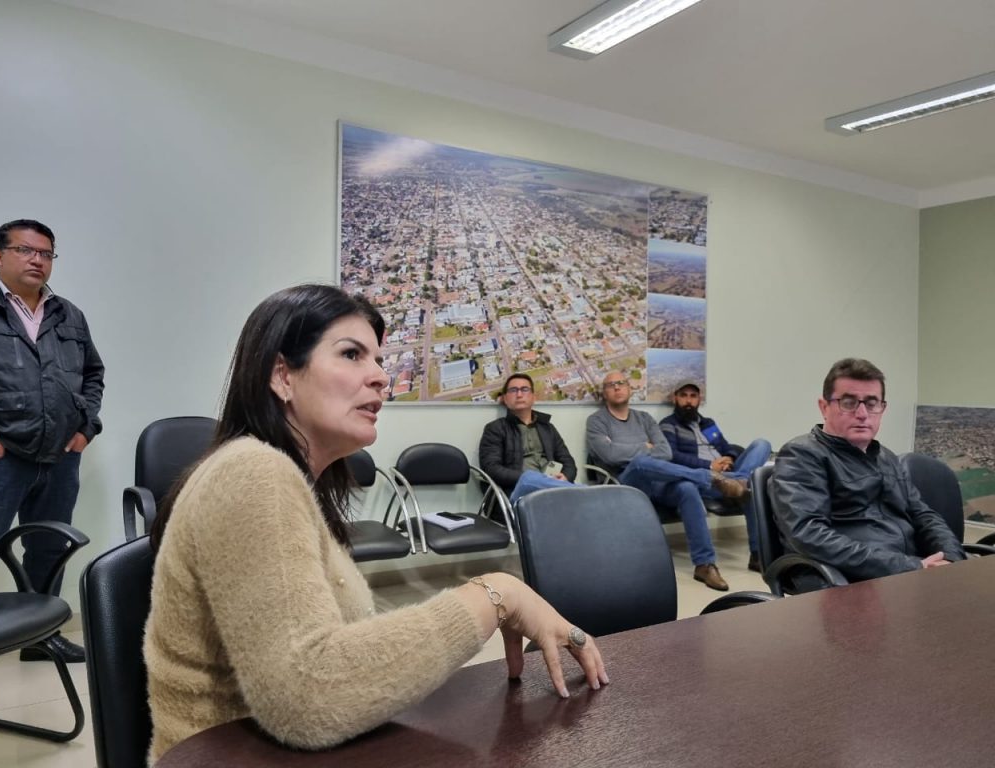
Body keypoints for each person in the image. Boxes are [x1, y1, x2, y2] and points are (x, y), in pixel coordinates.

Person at [144, 284, 607, 761]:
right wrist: (497, 594)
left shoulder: (287, 479)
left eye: (379, 360)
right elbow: (309, 697)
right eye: (351, 354)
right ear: (282, 375)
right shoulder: (253, 473)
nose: (381, 377)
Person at [0, 219, 104, 704]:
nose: (36, 260)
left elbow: (93, 374)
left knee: (48, 548)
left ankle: (40, 639)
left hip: (58, 458)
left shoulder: (68, 315)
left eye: (46, 253)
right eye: (25, 250)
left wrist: (85, 428)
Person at [770, 357, 965, 585]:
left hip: (909, 572)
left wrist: (951, 559)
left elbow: (923, 515)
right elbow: (809, 534)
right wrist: (912, 567)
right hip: (850, 579)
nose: (862, 413)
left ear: (882, 408)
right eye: (849, 402)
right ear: (824, 407)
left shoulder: (886, 457)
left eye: (872, 403)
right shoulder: (802, 455)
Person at [585, 371, 746, 592]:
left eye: (621, 383)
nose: (616, 387)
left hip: (660, 482)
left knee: (687, 489)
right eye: (610, 385)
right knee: (641, 462)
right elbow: (610, 455)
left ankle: (704, 564)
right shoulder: (596, 421)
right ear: (604, 393)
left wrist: (639, 450)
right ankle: (710, 477)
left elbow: (665, 452)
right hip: (627, 483)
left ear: (629, 388)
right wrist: (644, 448)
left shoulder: (644, 418)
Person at [659, 382, 772, 572]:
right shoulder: (669, 425)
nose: (688, 400)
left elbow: (725, 446)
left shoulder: (708, 423)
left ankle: (739, 481)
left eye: (693, 396)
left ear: (699, 400)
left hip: (728, 473)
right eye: (684, 395)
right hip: (705, 478)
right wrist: (710, 466)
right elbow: (672, 457)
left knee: (762, 444)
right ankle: (741, 484)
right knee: (751, 489)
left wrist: (729, 458)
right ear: (675, 398)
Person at [478, 373, 578, 504]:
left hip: (553, 488)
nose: (519, 394)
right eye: (513, 390)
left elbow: (568, 461)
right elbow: (492, 468)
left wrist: (565, 477)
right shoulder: (495, 428)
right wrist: (531, 478)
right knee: (530, 478)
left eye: (525, 389)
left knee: (583, 502)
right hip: (519, 490)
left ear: (533, 397)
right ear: (505, 399)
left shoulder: (548, 428)